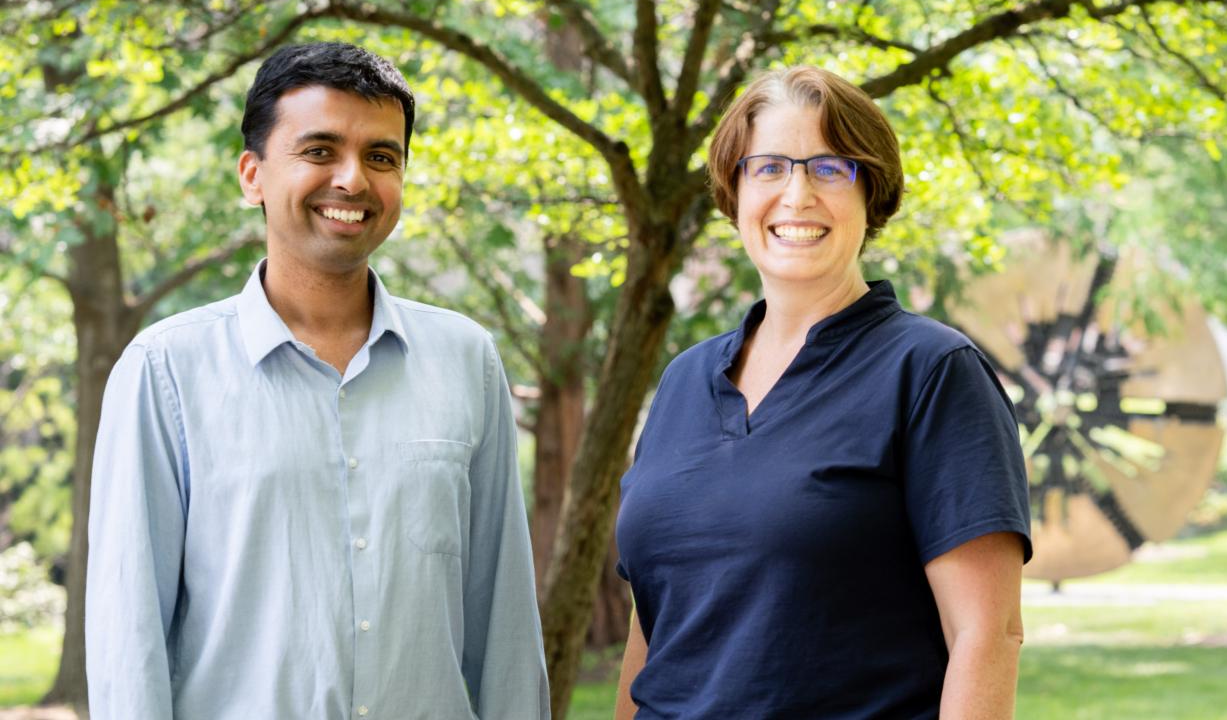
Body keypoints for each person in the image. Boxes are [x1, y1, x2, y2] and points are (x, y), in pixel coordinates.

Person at [86, 42, 550, 719]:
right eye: (320, 151)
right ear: (253, 175)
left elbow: (504, 625)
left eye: (382, 157)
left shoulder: (467, 360)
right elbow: (129, 640)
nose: (354, 180)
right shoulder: (165, 372)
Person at [613, 66, 1032, 719]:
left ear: (873, 193)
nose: (797, 193)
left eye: (831, 168)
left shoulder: (931, 371)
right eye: (769, 167)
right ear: (734, 189)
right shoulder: (683, 383)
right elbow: (654, 631)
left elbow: (988, 635)